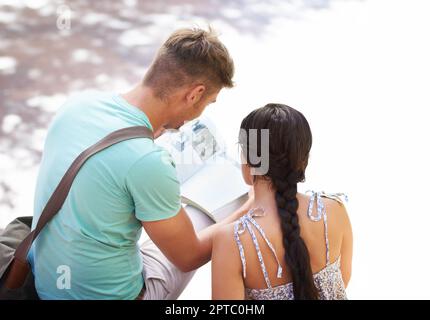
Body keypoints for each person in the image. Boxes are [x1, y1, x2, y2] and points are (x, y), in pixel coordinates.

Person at [28, 27, 251, 299]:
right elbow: (188, 257)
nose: (200, 112)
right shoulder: (148, 162)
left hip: (48, 284)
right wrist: (252, 205)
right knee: (209, 213)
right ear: (194, 94)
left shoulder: (76, 106)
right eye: (207, 102)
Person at [211, 104, 353, 300]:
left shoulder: (232, 241)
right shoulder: (334, 210)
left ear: (248, 160)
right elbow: (342, 282)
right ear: (304, 159)